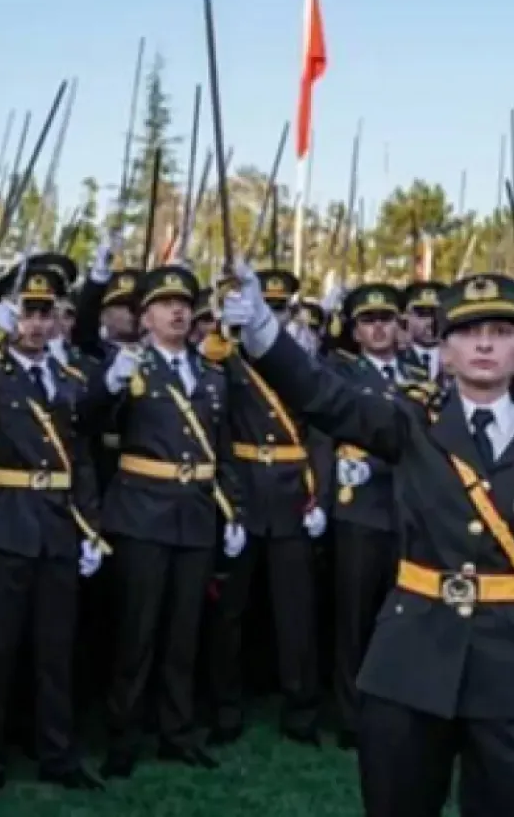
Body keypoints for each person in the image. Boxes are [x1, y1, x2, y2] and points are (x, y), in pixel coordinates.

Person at [224, 267, 514, 817]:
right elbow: (326, 397)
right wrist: (266, 335)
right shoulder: (411, 421)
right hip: (411, 656)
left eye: (502, 331)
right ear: (445, 351)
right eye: (467, 332)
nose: (484, 343)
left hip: (513, 666)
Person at [0, 265, 106, 800]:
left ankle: (57, 753)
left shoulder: (68, 381)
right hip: (4, 520)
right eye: (26, 313)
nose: (36, 325)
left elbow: (80, 458)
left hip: (57, 525)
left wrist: (90, 526)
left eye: (45, 314)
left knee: (54, 650)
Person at [92, 261, 245, 776]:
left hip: (196, 513)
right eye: (164, 304)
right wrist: (109, 385)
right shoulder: (129, 367)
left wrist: (233, 510)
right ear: (145, 315)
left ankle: (176, 732)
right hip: (142, 511)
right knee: (137, 632)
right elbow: (89, 423)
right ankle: (124, 734)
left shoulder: (211, 373)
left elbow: (222, 450)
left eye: (184, 304)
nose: (177, 311)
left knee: (184, 633)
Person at [209, 267, 326, 747]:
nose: (272, 315)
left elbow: (320, 430)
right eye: (266, 307)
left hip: (292, 492)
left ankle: (301, 710)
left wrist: (318, 493)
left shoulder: (300, 361)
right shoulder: (226, 357)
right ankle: (225, 708)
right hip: (244, 489)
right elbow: (214, 431)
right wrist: (228, 501)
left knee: (296, 612)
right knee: (229, 612)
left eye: (280, 309)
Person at [321, 282, 429, 749]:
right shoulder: (342, 372)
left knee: (402, 619)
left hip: (406, 507)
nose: (379, 327)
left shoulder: (418, 371)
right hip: (360, 506)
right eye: (368, 320)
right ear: (355, 330)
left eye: (387, 318)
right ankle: (351, 715)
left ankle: (396, 709)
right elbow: (321, 431)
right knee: (354, 619)